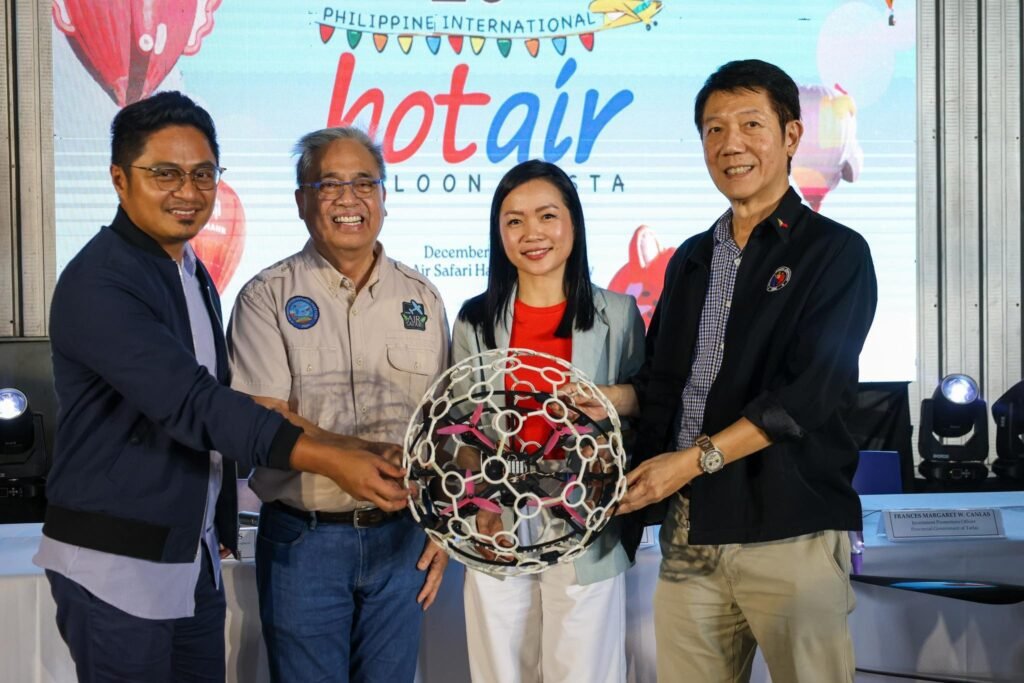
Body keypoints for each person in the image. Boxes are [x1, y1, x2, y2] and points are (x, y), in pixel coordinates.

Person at [34, 92, 408, 683]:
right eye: (165, 173)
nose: (187, 191)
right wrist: (337, 459)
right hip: (117, 564)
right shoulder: (101, 282)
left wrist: (356, 450)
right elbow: (197, 405)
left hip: (189, 557)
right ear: (119, 178)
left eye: (203, 174)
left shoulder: (189, 271)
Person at [588, 60, 878, 682]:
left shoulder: (836, 253)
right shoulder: (692, 257)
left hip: (790, 527)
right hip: (691, 531)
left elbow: (808, 394)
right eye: (714, 129)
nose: (730, 144)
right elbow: (665, 385)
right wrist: (603, 398)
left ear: (791, 136)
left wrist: (690, 462)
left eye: (751, 124)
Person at [227, 127, 450, 683]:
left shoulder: (423, 298)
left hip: (403, 539)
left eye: (364, 183)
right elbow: (263, 415)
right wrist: (357, 453)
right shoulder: (266, 296)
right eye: (330, 184)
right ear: (302, 201)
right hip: (304, 541)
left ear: (383, 197)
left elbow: (446, 428)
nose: (349, 199)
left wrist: (445, 525)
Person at [451, 160, 645, 683]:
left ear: (573, 223)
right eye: (514, 221)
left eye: (547, 216)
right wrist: (479, 500)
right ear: (499, 234)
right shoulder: (474, 319)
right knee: (499, 670)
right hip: (496, 519)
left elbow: (645, 408)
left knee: (585, 672)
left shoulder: (618, 314)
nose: (531, 233)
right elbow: (459, 427)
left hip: (586, 518)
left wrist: (608, 415)